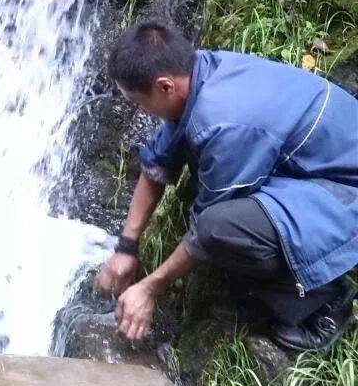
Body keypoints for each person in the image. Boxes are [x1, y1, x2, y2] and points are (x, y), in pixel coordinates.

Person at [95, 21, 358, 351]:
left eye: (138, 101)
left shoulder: (222, 120)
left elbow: (204, 234)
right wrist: (127, 247)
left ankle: (326, 302)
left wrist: (149, 288)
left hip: (344, 191)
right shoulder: (198, 73)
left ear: (164, 86)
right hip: (309, 172)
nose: (141, 110)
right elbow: (157, 165)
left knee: (220, 228)